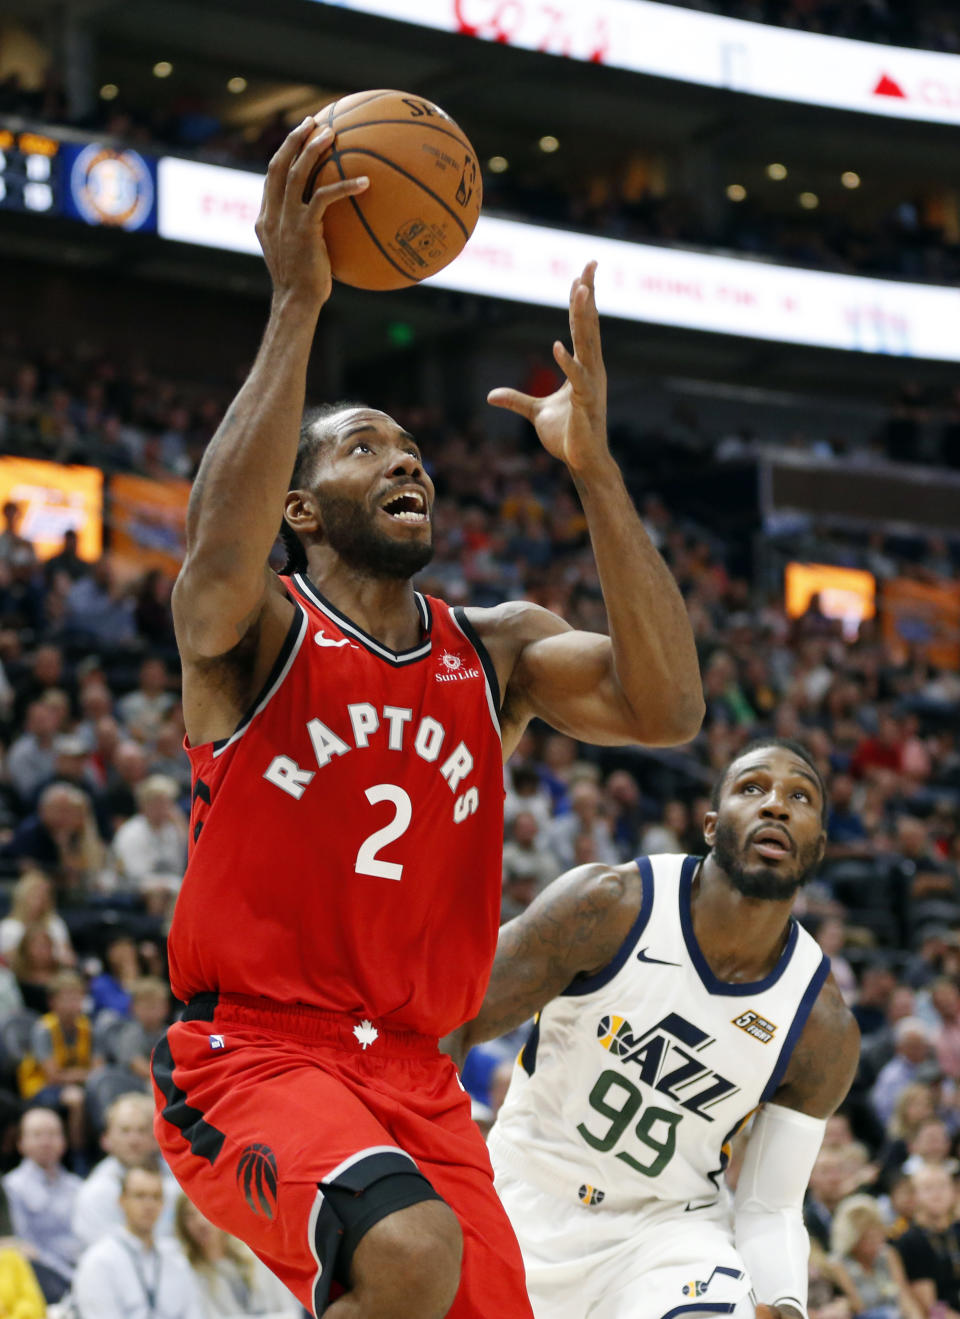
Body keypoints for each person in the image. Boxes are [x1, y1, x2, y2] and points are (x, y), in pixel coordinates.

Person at [152, 114, 704, 1319]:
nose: (405, 461)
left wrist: (597, 473)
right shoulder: (259, 634)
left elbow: (667, 708)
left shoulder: (493, 648)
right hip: (249, 1051)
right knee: (406, 1253)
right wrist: (297, 304)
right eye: (363, 447)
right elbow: (211, 555)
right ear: (301, 508)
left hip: (417, 1072)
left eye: (410, 447)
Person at [454, 738, 859, 1319]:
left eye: (800, 796)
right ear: (712, 826)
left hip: (667, 1235)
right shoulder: (607, 904)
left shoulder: (821, 1026)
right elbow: (451, 1023)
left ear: (817, 846)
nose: (776, 805)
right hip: (523, 1193)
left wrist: (787, 1306)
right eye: (753, 788)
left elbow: (771, 1206)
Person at [71, 1163, 204, 1319]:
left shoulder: (175, 1258)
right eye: (140, 1196)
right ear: (122, 1201)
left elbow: (194, 1313)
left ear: (163, 1204)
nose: (149, 1205)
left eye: (156, 1197)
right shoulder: (99, 1261)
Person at [73, 1092, 179, 1250]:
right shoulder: (95, 1192)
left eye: (142, 1130)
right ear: (106, 1139)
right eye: (125, 1131)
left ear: (155, 1137)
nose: (134, 1140)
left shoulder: (178, 1184)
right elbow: (101, 1254)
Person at [174, 1193, 300, 1317]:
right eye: (190, 1215)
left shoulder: (257, 1254)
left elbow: (290, 1310)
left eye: (203, 1211)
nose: (200, 1222)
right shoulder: (187, 1269)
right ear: (183, 1225)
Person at [2, 1106, 82, 1298]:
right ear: (21, 1143)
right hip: (42, 1278)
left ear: (64, 1141)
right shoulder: (11, 1187)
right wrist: (70, 1277)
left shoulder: (78, 1186)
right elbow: (23, 1244)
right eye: (37, 1135)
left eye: (53, 1134)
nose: (46, 1142)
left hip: (84, 1272)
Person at [830, 1193, 921, 1319]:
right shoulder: (838, 1264)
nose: (875, 1242)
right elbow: (859, 1307)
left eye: (877, 1235)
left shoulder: (888, 1255)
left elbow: (905, 1299)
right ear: (852, 1240)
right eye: (867, 1238)